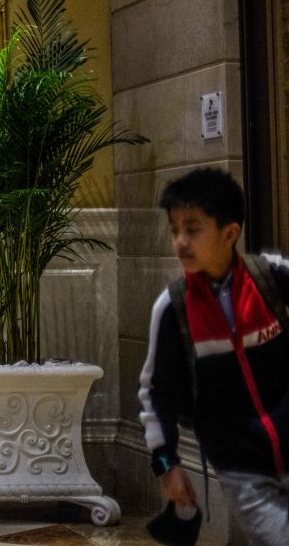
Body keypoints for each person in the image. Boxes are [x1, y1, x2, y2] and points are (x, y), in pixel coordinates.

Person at [139, 169, 289, 546]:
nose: (180, 241)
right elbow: (155, 395)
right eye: (174, 230)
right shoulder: (171, 310)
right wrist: (166, 466)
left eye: (193, 229)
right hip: (242, 471)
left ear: (230, 234)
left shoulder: (270, 278)